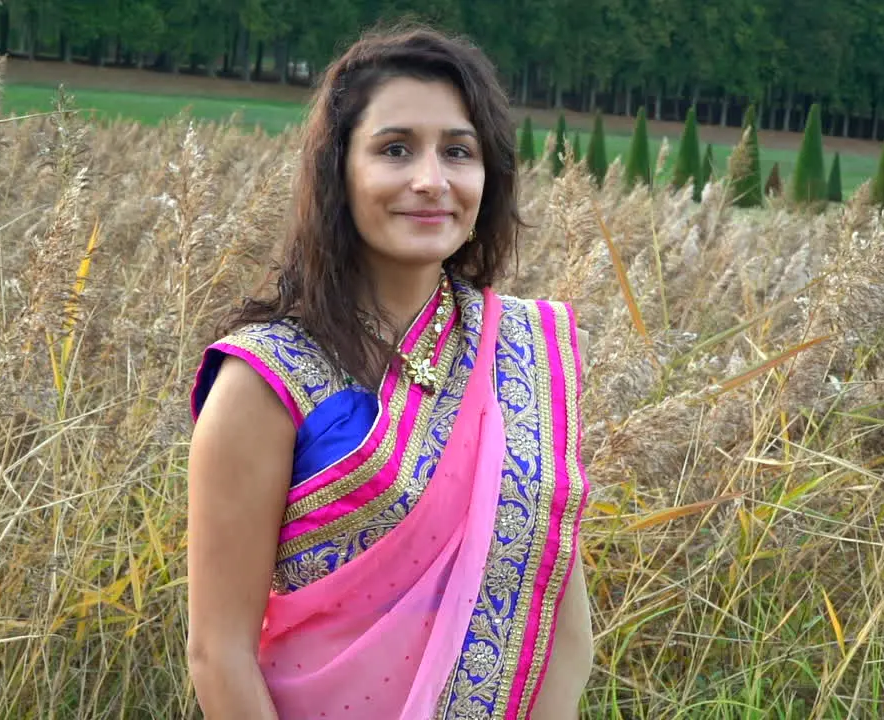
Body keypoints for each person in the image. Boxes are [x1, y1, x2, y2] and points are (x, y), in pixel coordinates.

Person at [185, 24, 592, 719]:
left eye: (458, 152)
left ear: (486, 177)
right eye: (395, 149)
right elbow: (217, 652)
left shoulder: (523, 352)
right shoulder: (266, 379)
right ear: (338, 172)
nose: (431, 181)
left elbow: (563, 626)